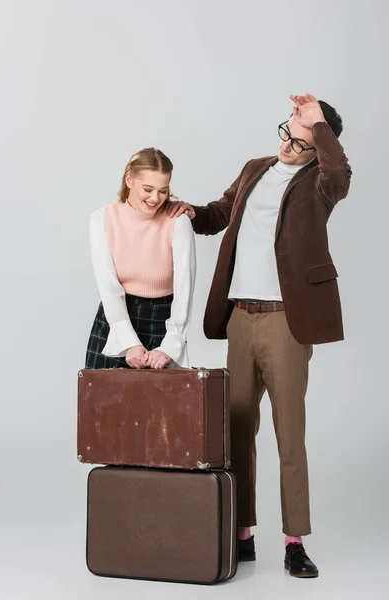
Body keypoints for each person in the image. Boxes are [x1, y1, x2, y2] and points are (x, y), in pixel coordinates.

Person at [169, 94, 352, 577]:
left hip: (286, 321)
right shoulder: (255, 168)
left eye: (301, 141)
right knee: (237, 429)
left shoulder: (320, 181)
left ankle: (294, 542)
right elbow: (220, 212)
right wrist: (189, 212)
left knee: (289, 434)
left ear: (318, 147)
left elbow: (341, 175)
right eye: (286, 133)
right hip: (239, 320)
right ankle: (243, 532)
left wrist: (318, 126)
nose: (289, 146)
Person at [85, 147, 196, 371]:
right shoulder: (102, 219)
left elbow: (185, 286)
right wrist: (128, 342)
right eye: (148, 189)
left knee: (163, 405)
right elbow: (108, 285)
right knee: (101, 403)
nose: (155, 198)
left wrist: (171, 344)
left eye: (163, 191)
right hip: (116, 318)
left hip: (163, 322)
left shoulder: (178, 221)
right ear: (129, 180)